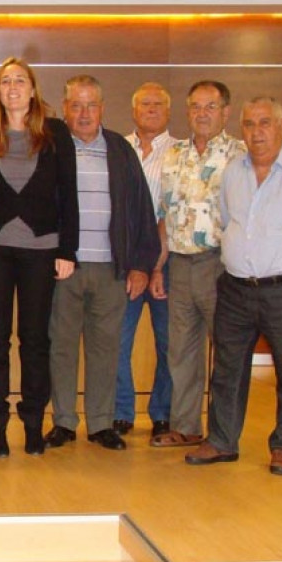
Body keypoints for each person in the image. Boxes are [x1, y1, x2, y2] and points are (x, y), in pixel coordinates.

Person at [185, 97, 282, 475]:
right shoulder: (233, 172)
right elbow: (230, 222)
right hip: (236, 288)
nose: (256, 132)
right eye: (249, 124)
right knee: (227, 368)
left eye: (264, 123)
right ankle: (222, 440)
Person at [0, 58, 78, 457]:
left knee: (35, 340)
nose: (12, 87)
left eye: (20, 80)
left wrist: (68, 249)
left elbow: (69, 194)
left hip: (42, 250)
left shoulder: (55, 134)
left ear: (33, 90)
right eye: (5, 82)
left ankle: (34, 423)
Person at [45, 75, 159, 452]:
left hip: (112, 268)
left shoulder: (120, 151)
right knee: (60, 346)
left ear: (102, 109)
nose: (83, 113)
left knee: (106, 348)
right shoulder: (53, 149)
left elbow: (142, 209)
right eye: (75, 105)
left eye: (91, 105)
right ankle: (63, 421)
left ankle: (100, 423)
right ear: (64, 109)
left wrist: (141, 264)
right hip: (66, 269)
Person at [150, 81, 245, 447]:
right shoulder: (174, 155)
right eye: (196, 107)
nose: (202, 114)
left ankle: (223, 434)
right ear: (187, 111)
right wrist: (158, 267)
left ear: (225, 112)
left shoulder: (240, 154)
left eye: (211, 106)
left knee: (227, 353)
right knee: (181, 351)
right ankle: (186, 427)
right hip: (179, 264)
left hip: (222, 266)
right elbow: (165, 215)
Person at [113, 82, 177, 438]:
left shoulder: (180, 153)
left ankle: (163, 415)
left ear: (168, 111)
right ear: (134, 111)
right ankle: (121, 412)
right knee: (117, 340)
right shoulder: (119, 149)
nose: (151, 110)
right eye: (145, 104)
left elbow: (174, 209)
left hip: (168, 262)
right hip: (126, 259)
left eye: (158, 104)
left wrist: (156, 263)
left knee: (169, 343)